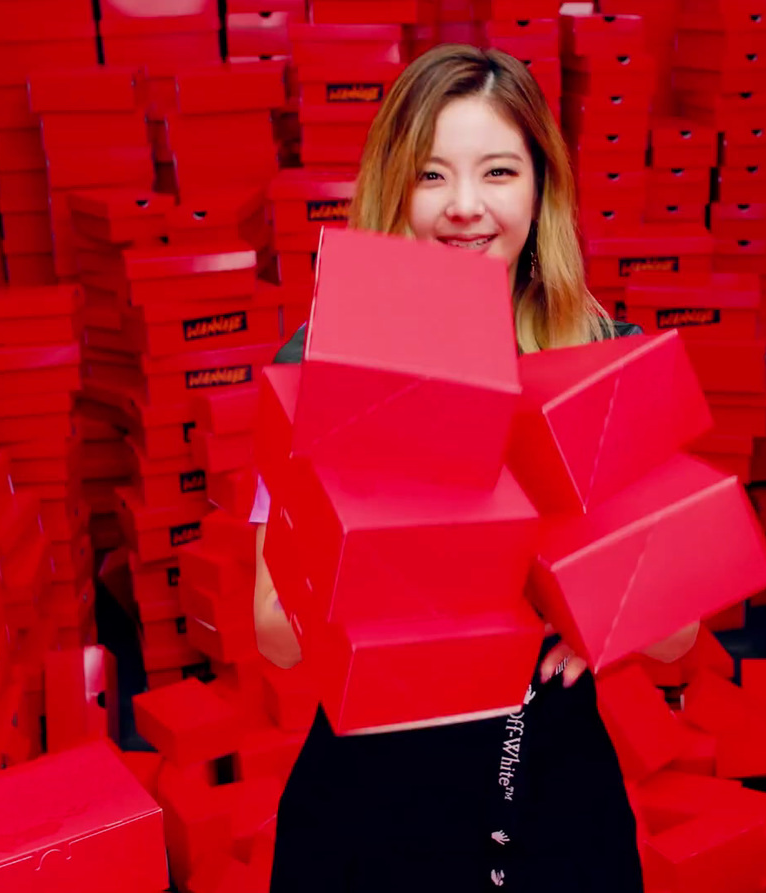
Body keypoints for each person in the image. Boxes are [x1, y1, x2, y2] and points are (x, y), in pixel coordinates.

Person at [248, 44, 700, 892]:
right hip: (369, 812)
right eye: (431, 176)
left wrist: (600, 603)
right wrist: (389, 562)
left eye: (498, 172)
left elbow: (679, 640)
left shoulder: (605, 360)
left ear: (539, 189)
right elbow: (273, 634)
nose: (465, 207)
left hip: (555, 808)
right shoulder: (319, 364)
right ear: (396, 188)